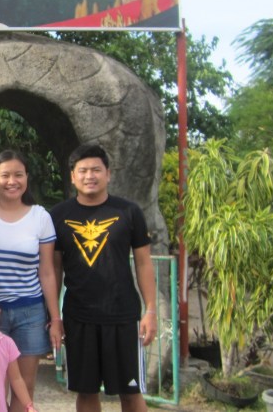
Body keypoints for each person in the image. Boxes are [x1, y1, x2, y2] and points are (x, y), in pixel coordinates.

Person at [47, 143, 157, 412]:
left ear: (108, 174)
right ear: (72, 176)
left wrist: (151, 310)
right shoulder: (58, 215)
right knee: (86, 393)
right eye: (83, 170)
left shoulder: (129, 212)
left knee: (130, 393)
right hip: (78, 317)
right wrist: (55, 318)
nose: (89, 176)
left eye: (96, 170)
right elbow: (54, 270)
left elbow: (144, 263)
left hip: (123, 315)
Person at [0, 150, 56, 412]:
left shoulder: (40, 216)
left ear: (27, 177)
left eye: (18, 175)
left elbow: (47, 271)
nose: (12, 181)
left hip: (29, 313)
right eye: (5, 175)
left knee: (24, 387)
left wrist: (56, 318)